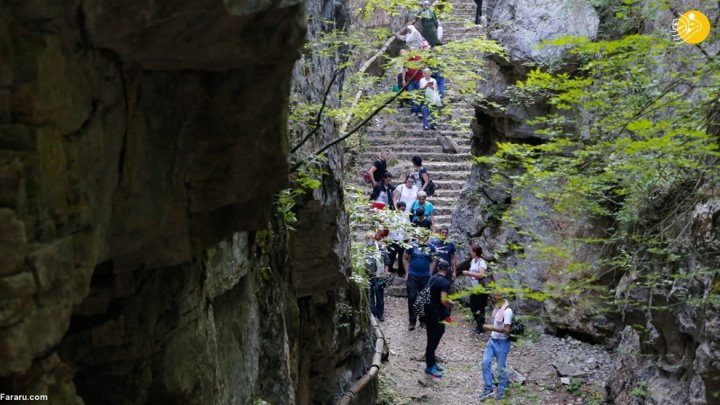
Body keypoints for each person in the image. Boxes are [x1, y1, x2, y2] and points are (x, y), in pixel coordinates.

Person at [479, 291, 513, 401]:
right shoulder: (497, 309)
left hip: (502, 342)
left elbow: (507, 330)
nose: (492, 298)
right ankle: (488, 388)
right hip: (492, 340)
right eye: (492, 296)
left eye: (494, 297)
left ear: (501, 297)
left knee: (501, 367)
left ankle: (502, 391)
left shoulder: (507, 311)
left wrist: (490, 328)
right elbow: (497, 324)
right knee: (485, 362)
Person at [424, 259, 454, 378]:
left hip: (428, 311)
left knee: (433, 337)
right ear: (447, 270)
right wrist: (451, 303)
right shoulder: (445, 283)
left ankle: (432, 362)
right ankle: (429, 367)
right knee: (433, 339)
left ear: (438, 268)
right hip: (436, 314)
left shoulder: (432, 278)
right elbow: (443, 300)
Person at [403, 234, 436, 330]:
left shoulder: (431, 247)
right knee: (412, 298)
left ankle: (423, 321)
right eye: (422, 236)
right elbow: (405, 258)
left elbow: (434, 260)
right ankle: (412, 321)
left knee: (424, 300)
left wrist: (430, 273)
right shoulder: (412, 245)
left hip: (425, 277)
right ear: (418, 236)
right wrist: (407, 272)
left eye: (425, 236)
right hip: (412, 276)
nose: (423, 238)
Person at [461, 244, 489, 334]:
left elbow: (481, 275)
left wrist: (469, 273)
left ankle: (481, 327)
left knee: (480, 308)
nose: (470, 252)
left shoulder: (482, 262)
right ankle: (478, 325)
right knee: (473, 307)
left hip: (481, 289)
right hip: (474, 288)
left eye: (471, 251)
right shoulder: (473, 261)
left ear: (475, 252)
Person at [364, 232, 390, 322]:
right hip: (368, 276)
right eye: (368, 238)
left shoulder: (381, 247)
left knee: (380, 295)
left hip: (380, 276)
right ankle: (373, 313)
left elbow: (386, 261)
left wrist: (385, 274)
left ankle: (380, 314)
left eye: (372, 237)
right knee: (370, 296)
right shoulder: (363, 249)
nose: (370, 239)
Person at [387, 202, 411, 276]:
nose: (402, 210)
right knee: (391, 255)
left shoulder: (406, 216)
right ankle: (389, 270)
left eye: (404, 209)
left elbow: (408, 226)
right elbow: (386, 225)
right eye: (401, 209)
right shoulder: (391, 215)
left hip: (403, 239)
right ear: (397, 207)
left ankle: (401, 271)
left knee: (402, 256)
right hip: (392, 238)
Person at [402, 53, 424, 117]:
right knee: (412, 95)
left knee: (419, 95)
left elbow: (424, 67)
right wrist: (403, 80)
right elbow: (404, 70)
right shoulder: (407, 59)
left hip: (419, 80)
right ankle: (414, 110)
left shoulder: (419, 57)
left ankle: (419, 111)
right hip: (410, 81)